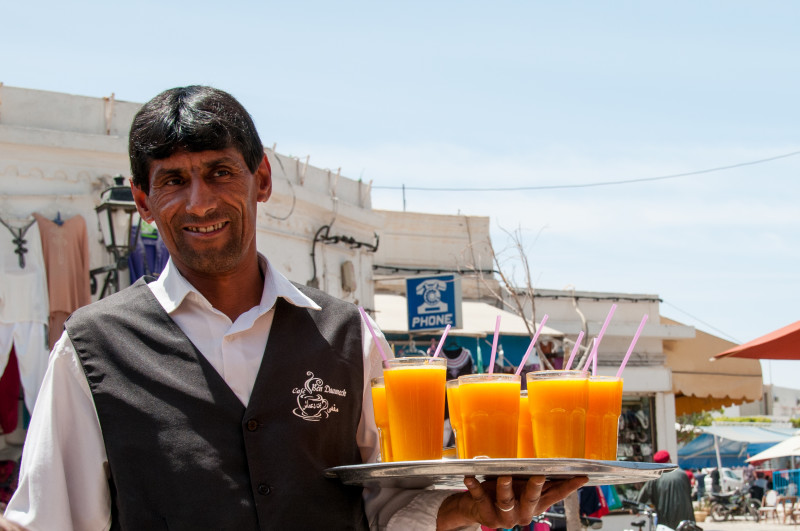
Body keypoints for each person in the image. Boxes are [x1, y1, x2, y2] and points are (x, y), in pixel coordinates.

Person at [0, 86, 586, 530]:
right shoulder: (93, 349)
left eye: (219, 172)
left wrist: (459, 509)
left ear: (261, 180)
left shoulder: (349, 337)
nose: (199, 201)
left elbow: (391, 508)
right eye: (173, 180)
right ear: (143, 202)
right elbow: (53, 519)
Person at [637, 450, 694, 530]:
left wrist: (635, 508)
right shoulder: (683, 474)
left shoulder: (655, 477)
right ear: (669, 460)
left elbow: (643, 496)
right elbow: (689, 493)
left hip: (666, 523)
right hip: (686, 522)